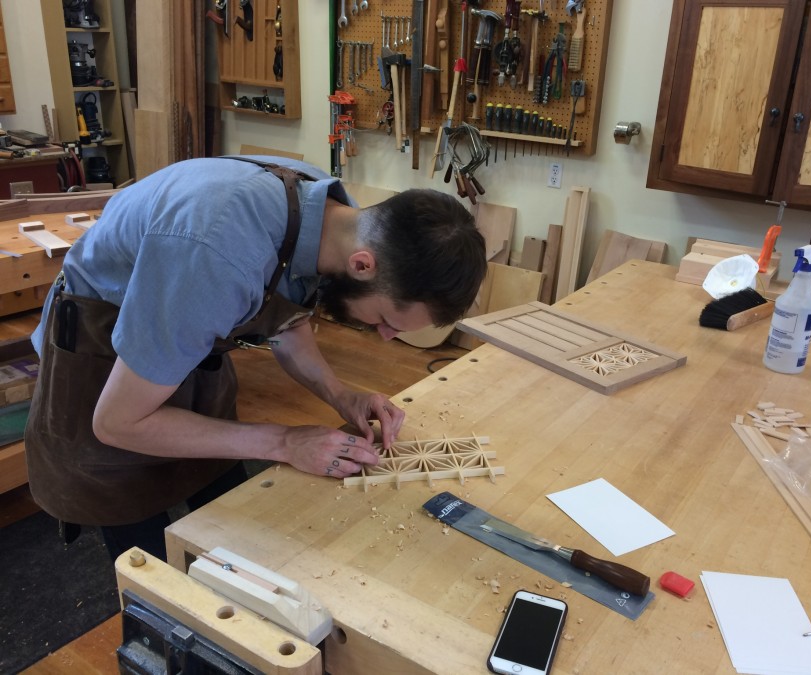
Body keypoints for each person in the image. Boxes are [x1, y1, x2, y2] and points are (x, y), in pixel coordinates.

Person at [25, 155, 487, 560]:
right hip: (100, 348)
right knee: (147, 552)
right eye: (388, 318)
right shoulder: (218, 254)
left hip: (181, 321)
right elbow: (117, 422)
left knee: (223, 510)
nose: (385, 337)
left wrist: (341, 395)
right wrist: (283, 442)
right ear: (362, 265)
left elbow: (287, 317)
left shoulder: (327, 215)